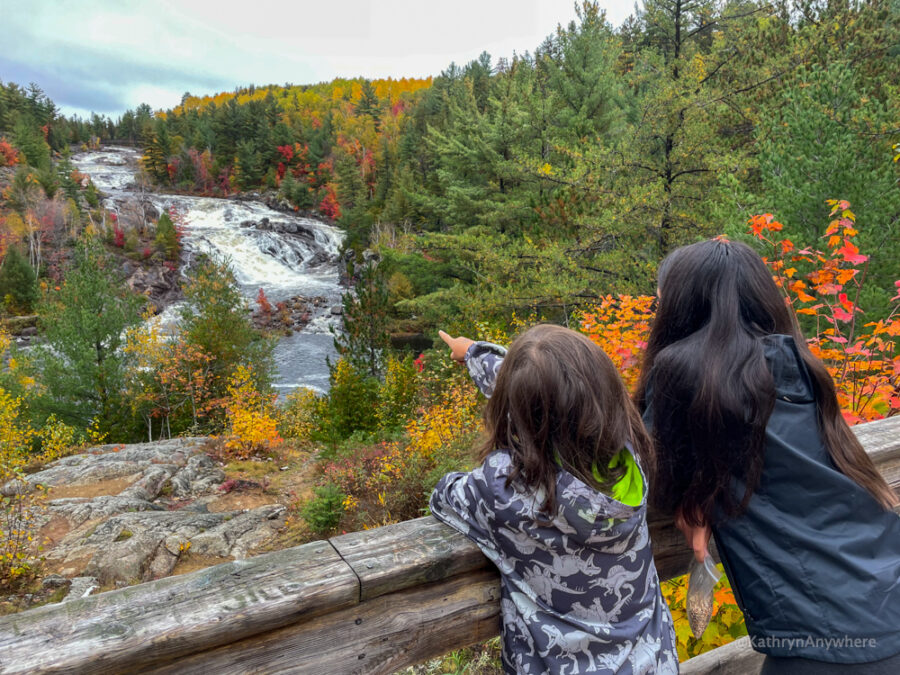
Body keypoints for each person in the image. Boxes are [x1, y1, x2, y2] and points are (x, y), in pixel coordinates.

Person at [635, 237, 900, 673]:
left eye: (660, 303)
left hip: (826, 636)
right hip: (880, 590)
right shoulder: (801, 365)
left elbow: (643, 477)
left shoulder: (682, 373)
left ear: (682, 308)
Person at [432, 325, 678, 674]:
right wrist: (476, 354)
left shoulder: (503, 489)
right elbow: (562, 395)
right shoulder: (631, 453)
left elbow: (444, 495)